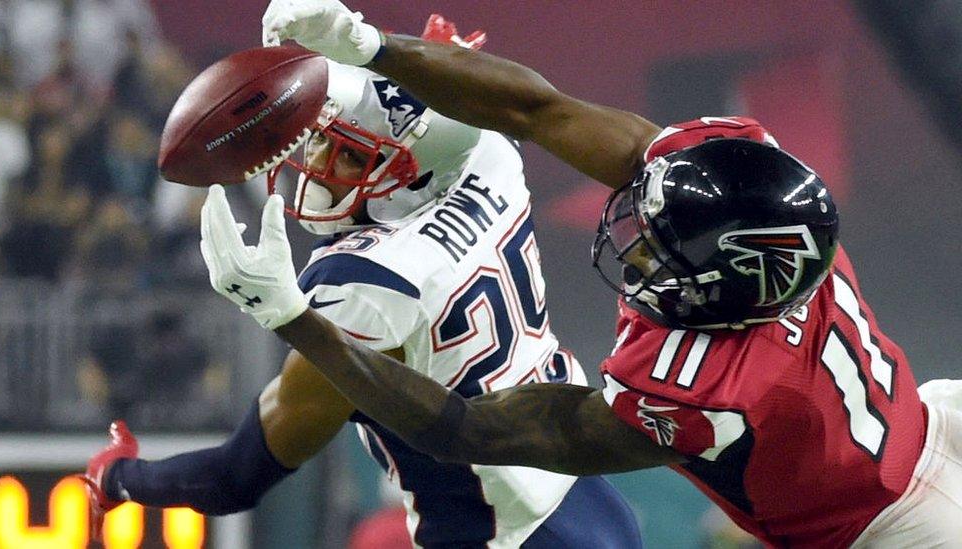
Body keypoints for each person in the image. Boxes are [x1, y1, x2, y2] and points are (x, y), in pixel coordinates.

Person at [189, 2, 962, 547]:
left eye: (666, 248)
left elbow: (466, 429)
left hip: (892, 529)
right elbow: (535, 110)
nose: (639, 246)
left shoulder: (704, 383)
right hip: (930, 422)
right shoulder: (760, 206)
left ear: (731, 286)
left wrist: (294, 316)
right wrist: (369, 45)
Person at [83, 18, 645, 548]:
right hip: (593, 500)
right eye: (325, 138)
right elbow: (454, 100)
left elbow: (235, 477)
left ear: (407, 171)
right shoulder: (489, 155)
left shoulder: (362, 287)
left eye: (351, 152)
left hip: (500, 530)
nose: (316, 158)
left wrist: (121, 477)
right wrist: (358, 43)